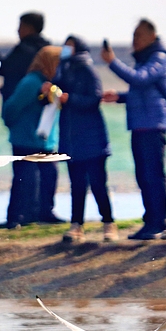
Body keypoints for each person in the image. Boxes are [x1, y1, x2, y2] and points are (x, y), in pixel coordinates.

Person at [101, 19, 166, 240]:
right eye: (133, 36)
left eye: (138, 36)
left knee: (153, 175)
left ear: (152, 36)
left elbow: (141, 79)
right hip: (141, 125)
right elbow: (144, 90)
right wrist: (120, 98)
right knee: (143, 176)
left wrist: (112, 62)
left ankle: (160, 224)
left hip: (153, 126)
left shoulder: (160, 58)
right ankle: (150, 222)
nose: (134, 41)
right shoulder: (146, 59)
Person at [0, 12, 52, 228]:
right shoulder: (45, 52)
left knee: (24, 171)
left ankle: (17, 217)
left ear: (29, 27)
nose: (18, 30)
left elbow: (4, 69)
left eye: (21, 25)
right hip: (44, 125)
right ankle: (39, 212)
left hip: (24, 124)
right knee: (41, 169)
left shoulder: (25, 53)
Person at [48, 36, 117, 241]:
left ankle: (109, 224)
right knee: (76, 184)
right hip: (71, 139)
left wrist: (71, 99)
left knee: (97, 183)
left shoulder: (87, 69)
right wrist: (48, 90)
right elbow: (56, 90)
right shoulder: (63, 68)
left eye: (69, 45)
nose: (65, 49)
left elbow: (94, 99)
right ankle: (76, 226)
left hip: (92, 139)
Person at [1, 45, 61, 227]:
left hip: (45, 141)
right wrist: (37, 97)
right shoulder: (31, 82)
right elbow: (9, 110)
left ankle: (45, 212)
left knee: (49, 175)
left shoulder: (52, 83)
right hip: (25, 140)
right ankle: (18, 217)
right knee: (25, 179)